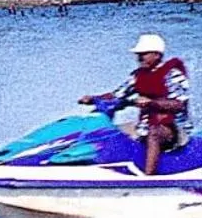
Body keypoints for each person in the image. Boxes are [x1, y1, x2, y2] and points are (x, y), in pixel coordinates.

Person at [81, 32, 190, 175]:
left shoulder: (173, 74)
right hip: (144, 125)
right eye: (138, 54)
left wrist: (152, 103)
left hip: (173, 128)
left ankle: (148, 178)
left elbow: (179, 104)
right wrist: (94, 98)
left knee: (154, 132)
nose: (139, 58)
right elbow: (117, 95)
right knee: (107, 133)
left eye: (143, 54)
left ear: (157, 55)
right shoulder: (138, 76)